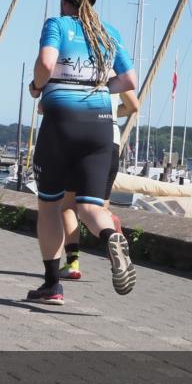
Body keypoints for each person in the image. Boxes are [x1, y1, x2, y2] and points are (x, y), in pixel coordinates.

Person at [26, 0, 138, 305]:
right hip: (101, 124)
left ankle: (51, 284)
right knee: (89, 204)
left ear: (64, 1)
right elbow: (130, 80)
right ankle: (111, 236)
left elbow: (47, 63)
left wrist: (36, 87)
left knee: (49, 203)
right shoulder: (109, 33)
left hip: (61, 122)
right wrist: (101, 88)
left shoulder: (57, 25)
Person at [59, 88, 139, 280]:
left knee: (68, 206)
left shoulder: (77, 64)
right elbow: (133, 106)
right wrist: (111, 112)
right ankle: (114, 231)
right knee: (100, 208)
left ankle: (73, 262)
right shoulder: (114, 70)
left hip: (81, 135)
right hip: (110, 141)